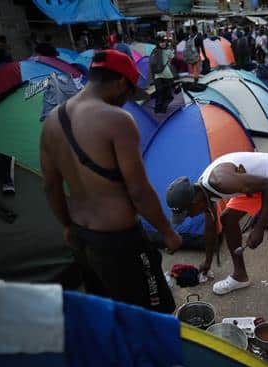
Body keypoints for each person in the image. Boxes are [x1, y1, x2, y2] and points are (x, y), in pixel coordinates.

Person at [40, 50, 182, 313]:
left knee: (106, 310)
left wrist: (67, 226)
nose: (127, 101)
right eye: (129, 92)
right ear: (119, 82)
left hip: (82, 238)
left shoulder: (51, 122)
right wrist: (167, 233)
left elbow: (51, 186)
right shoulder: (117, 120)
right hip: (120, 243)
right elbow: (138, 191)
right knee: (152, 312)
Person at [165, 152, 268, 319]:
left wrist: (259, 227)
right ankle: (240, 276)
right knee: (227, 218)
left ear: (195, 202)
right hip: (257, 184)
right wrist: (207, 262)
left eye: (187, 213)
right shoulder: (203, 193)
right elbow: (210, 228)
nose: (190, 217)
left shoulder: (221, 182)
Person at [150, 32, 175, 114]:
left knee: (163, 93)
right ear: (158, 42)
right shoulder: (165, 51)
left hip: (163, 75)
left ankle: (161, 108)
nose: (163, 43)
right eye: (161, 42)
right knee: (162, 92)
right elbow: (172, 59)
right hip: (162, 75)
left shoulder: (155, 51)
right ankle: (160, 109)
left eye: (164, 42)